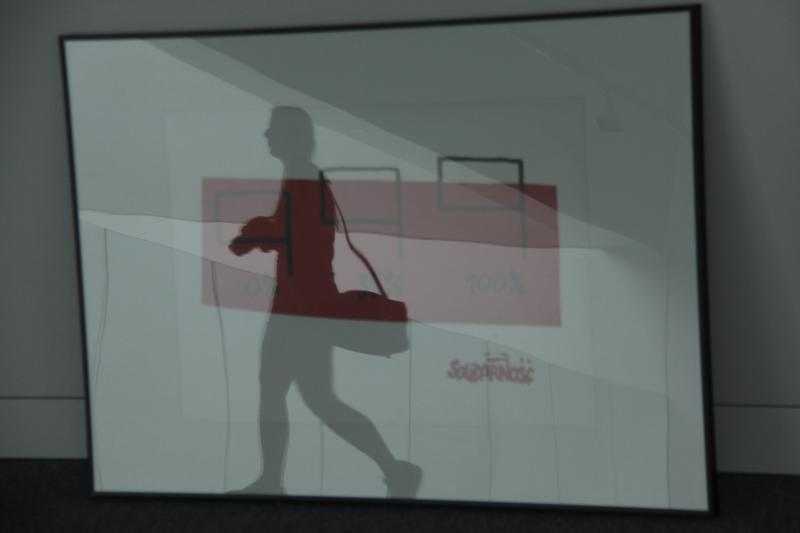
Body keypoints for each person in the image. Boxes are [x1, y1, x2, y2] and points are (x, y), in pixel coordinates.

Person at [229, 106, 421, 498]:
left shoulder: (304, 179)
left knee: (278, 391)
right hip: (306, 305)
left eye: (273, 130)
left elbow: (301, 238)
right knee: (317, 399)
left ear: (291, 135)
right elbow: (301, 237)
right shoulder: (302, 177)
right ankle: (394, 470)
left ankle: (272, 482)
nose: (266, 136)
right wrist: (265, 232)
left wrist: (260, 232)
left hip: (298, 307)